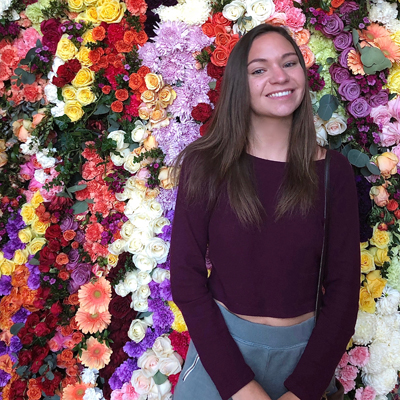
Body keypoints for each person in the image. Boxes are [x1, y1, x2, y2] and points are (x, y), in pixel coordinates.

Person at [169, 24, 360, 400]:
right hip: (221, 360)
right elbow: (187, 281)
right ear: (239, 84)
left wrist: (303, 390)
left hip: (304, 363)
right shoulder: (206, 166)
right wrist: (239, 387)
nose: (279, 76)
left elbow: (344, 292)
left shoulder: (332, 172)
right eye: (260, 69)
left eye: (288, 63)